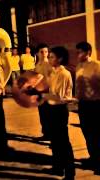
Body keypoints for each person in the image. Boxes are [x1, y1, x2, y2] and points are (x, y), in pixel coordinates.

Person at [46, 46, 75, 179]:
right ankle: (58, 167)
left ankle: (70, 172)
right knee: (55, 141)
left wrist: (41, 94)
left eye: (51, 57)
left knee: (63, 142)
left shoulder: (64, 74)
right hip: (52, 109)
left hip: (59, 109)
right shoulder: (53, 72)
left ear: (60, 59)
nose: (48, 58)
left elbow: (58, 95)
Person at [75, 42, 100, 175]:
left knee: (97, 134)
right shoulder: (79, 66)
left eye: (80, 52)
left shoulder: (97, 66)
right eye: (77, 52)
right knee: (87, 132)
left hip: (95, 105)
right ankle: (93, 158)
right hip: (82, 104)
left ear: (88, 52)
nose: (78, 55)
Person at [35, 43, 53, 140]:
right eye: (41, 52)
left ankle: (51, 135)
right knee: (42, 114)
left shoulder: (48, 64)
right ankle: (46, 134)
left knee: (48, 115)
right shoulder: (38, 64)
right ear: (37, 53)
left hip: (47, 93)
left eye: (46, 51)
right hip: (39, 92)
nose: (44, 54)